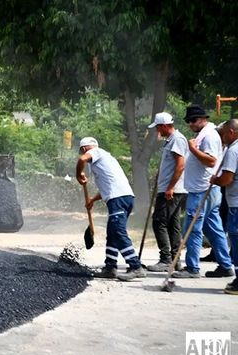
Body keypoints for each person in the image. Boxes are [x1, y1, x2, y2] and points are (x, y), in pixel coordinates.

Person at [172, 105, 235, 278]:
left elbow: (211, 161)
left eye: (194, 120)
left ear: (203, 119)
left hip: (202, 191)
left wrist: (192, 149)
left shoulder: (209, 136)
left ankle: (192, 268)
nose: (190, 124)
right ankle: (225, 264)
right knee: (215, 230)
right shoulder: (205, 134)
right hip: (207, 191)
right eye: (188, 121)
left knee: (192, 230)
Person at [76, 137, 146, 281]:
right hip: (124, 197)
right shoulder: (106, 160)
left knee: (118, 232)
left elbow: (82, 159)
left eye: (82, 151)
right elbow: (109, 186)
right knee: (113, 233)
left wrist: (78, 175)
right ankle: (110, 267)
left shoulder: (96, 152)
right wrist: (92, 200)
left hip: (118, 199)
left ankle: (135, 266)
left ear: (84, 148)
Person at [146, 112, 188, 272]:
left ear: (164, 125)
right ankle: (175, 259)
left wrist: (170, 187)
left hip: (172, 190)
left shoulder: (177, 139)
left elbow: (180, 165)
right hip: (170, 188)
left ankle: (166, 259)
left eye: (158, 127)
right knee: (173, 224)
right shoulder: (170, 140)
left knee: (159, 221)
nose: (157, 131)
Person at [210, 119, 238, 294]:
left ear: (233, 132)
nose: (222, 137)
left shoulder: (233, 151)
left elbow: (227, 179)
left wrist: (215, 180)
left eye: (224, 133)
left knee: (236, 240)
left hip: (236, 202)